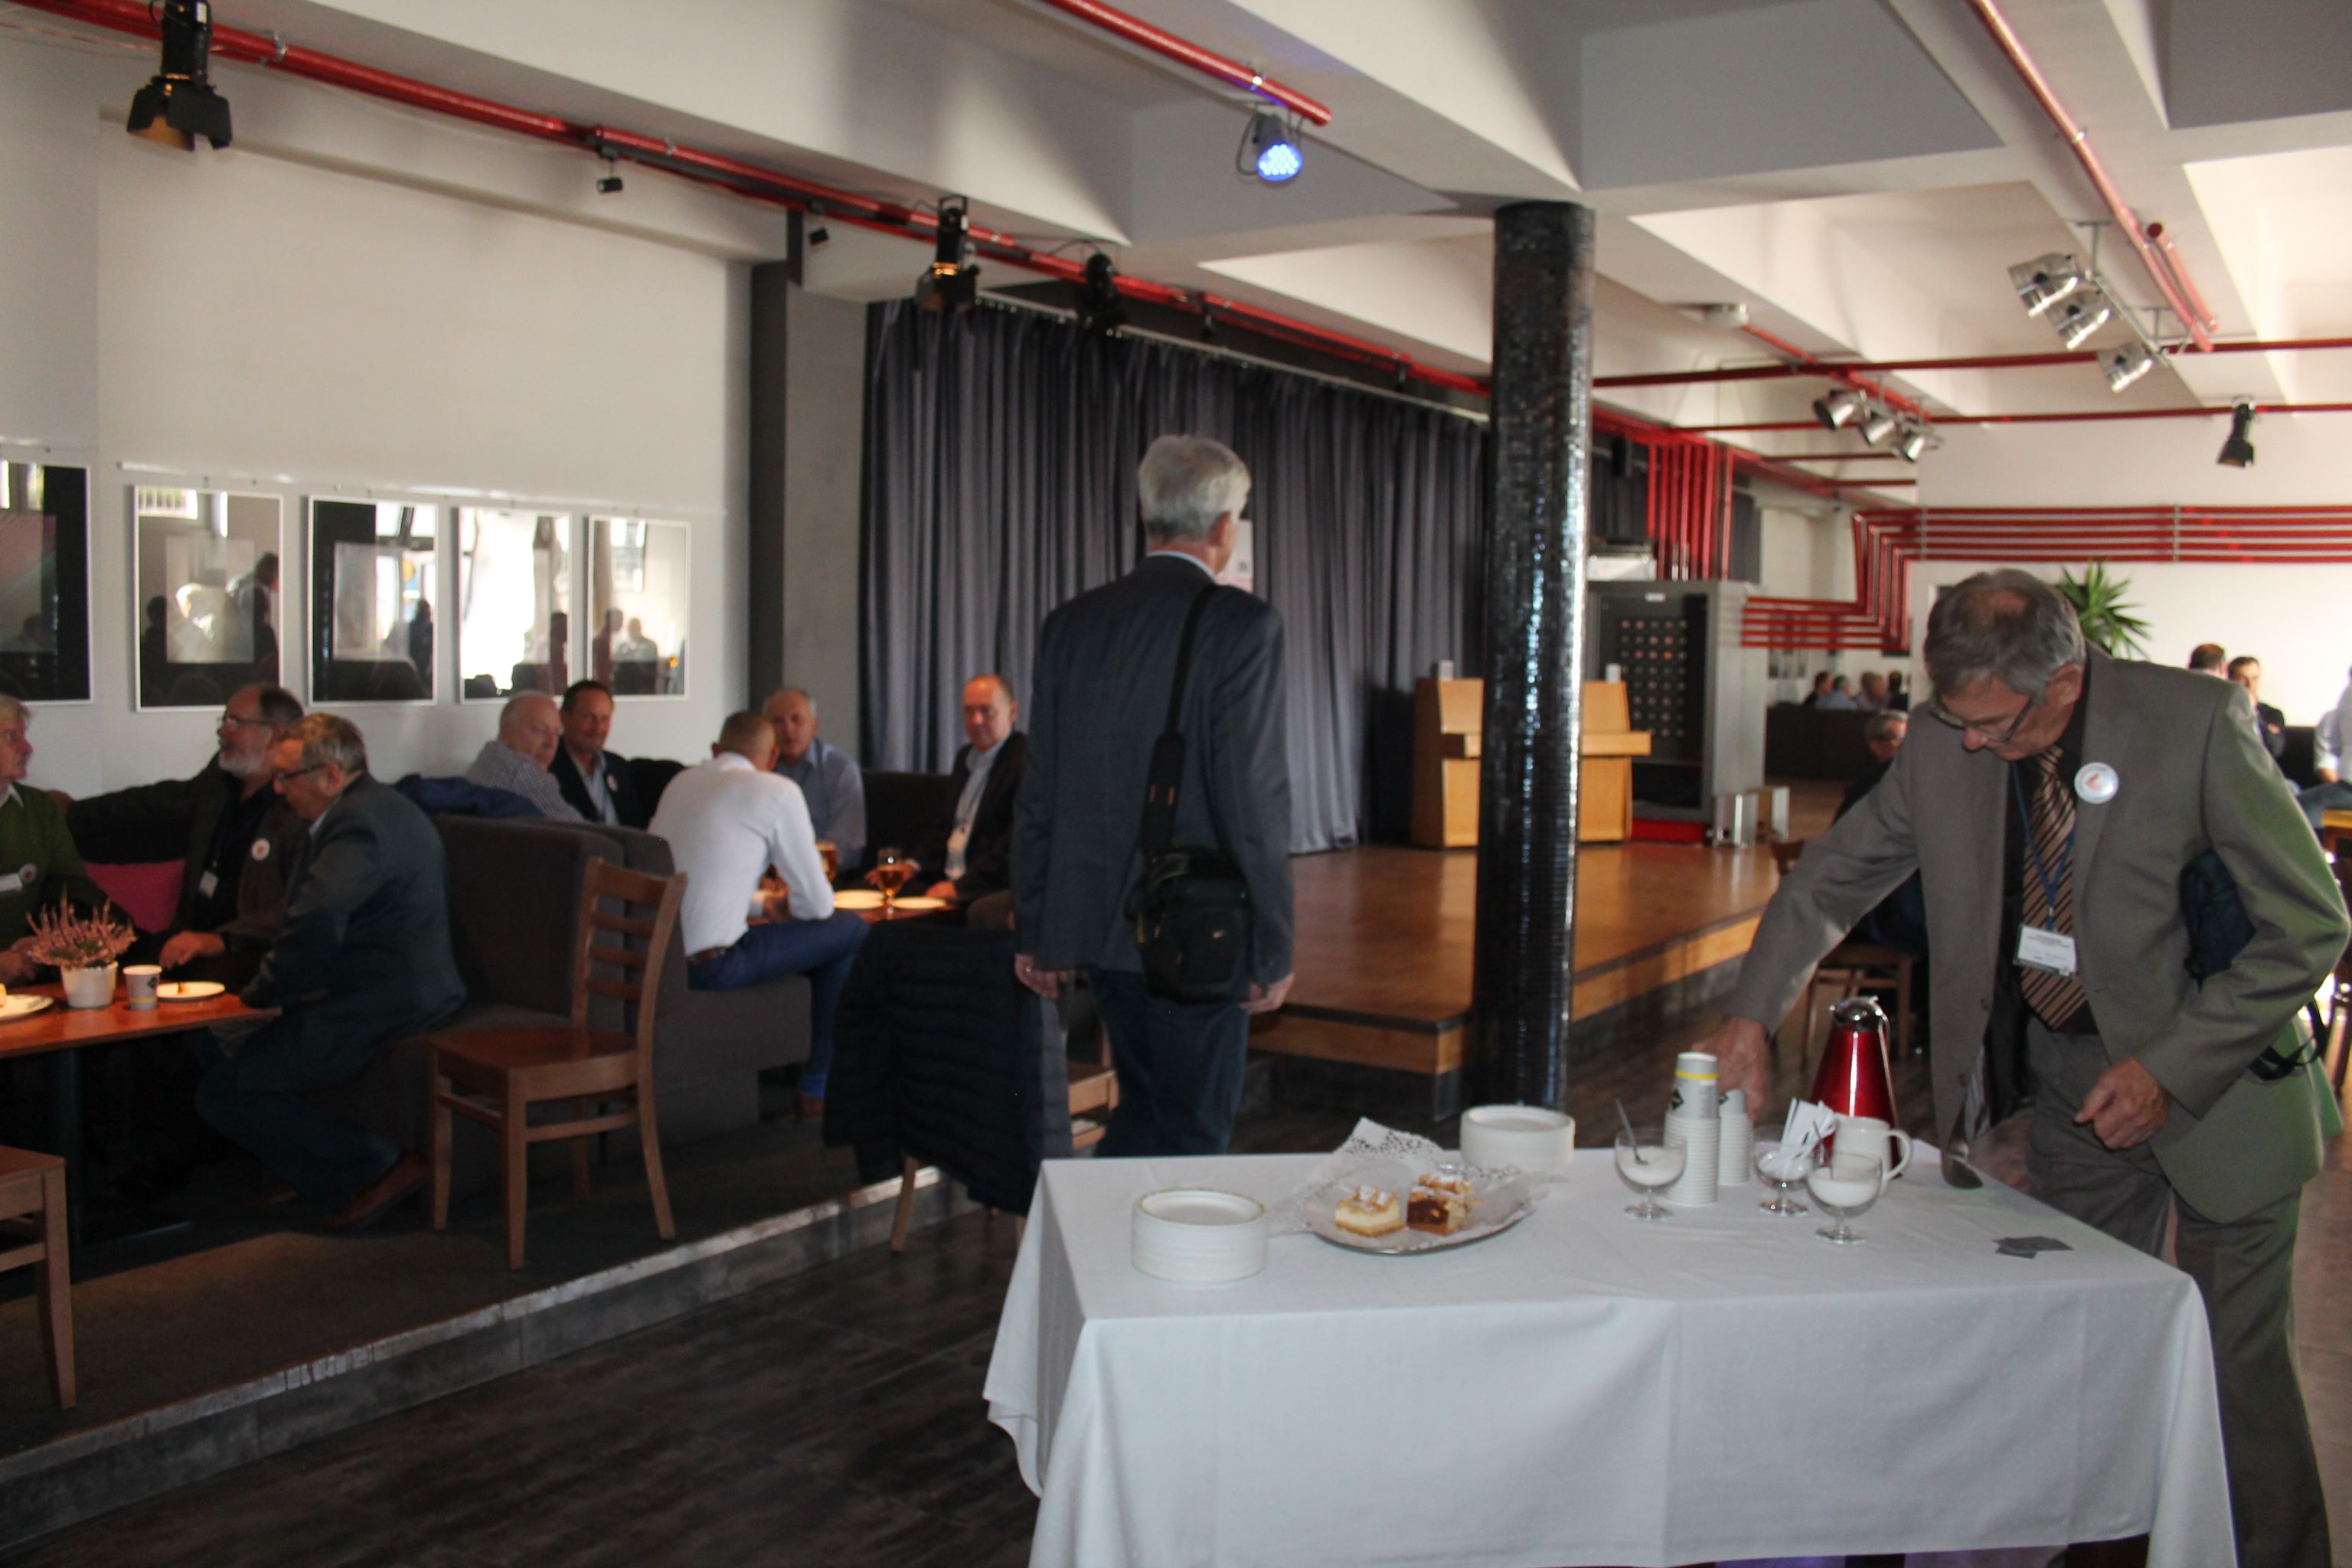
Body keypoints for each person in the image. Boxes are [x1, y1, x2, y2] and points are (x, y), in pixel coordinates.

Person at [1701, 568, 2343, 1568]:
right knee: (2085, 1348)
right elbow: (1834, 877)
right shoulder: (1944, 740)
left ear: (2066, 682)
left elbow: (2310, 923)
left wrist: (2170, 1066)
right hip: (2077, 1093)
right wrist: (1751, 1015)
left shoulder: (2196, 724)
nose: (1971, 743)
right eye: (1957, 718)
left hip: (2220, 1083)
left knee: (2235, 1371)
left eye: (1994, 725)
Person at [1011, 434, 1295, 1158]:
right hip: (1196, 928)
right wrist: (1271, 945)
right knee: (1192, 1131)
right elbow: (1253, 801)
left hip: (1097, 926)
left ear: (1145, 513)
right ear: (1225, 527)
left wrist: (1037, 926)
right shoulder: (1243, 626)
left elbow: (1039, 788)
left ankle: (1089, 1232)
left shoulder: (1070, 623)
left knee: (1142, 1113)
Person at [195, 714, 466, 1228]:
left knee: (222, 1090)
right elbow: (306, 908)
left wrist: (263, 993)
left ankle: (371, 1162)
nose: (278, 789)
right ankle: (317, 1173)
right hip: (380, 985)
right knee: (214, 1043)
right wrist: (237, 947)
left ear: (331, 776)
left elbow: (318, 917)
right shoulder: (371, 807)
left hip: (385, 999)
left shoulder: (357, 823)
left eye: (286, 777)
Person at [649, 711, 867, 1119]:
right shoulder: (776, 790)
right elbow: (818, 906)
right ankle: (818, 1086)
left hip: (661, 961)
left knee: (821, 936)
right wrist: (789, 905)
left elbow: (690, 882)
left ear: (717, 750)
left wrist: (763, 905)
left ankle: (809, 1080)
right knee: (851, 930)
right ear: (772, 758)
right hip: (714, 967)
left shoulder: (680, 783)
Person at [66, 684, 309, 988]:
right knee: (108, 962)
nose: (222, 731)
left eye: (235, 722)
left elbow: (301, 906)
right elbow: (151, 806)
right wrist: (71, 813)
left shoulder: (301, 806)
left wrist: (221, 940)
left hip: (250, 950)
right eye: (224, 720)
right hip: (189, 940)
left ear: (276, 735)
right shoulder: (218, 783)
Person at [0, 696, 107, 975]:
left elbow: (72, 889)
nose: (27, 748)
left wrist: (50, 941)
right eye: (11, 737)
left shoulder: (39, 808)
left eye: (23, 736)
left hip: (34, 971)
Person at [908, 674, 1024, 904]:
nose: (976, 720)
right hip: (946, 875)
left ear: (1012, 713)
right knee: (878, 890)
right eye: (969, 711)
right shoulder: (964, 757)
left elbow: (1014, 843)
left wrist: (960, 887)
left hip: (985, 885)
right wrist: (912, 864)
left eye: (987, 711)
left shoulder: (1024, 761)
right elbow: (944, 828)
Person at [763, 686, 864, 869]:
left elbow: (846, 847)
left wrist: (797, 873)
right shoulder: (758, 770)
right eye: (778, 721)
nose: (788, 729)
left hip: (822, 873)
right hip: (767, 873)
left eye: (796, 719)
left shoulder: (840, 769)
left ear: (814, 726)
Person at [465, 692, 584, 821]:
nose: (551, 743)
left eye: (556, 733)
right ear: (506, 732)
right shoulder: (522, 770)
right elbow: (578, 828)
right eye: (539, 730)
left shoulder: (489, 756)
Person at [547, 680, 644, 828]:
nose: (598, 728)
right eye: (589, 717)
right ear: (564, 717)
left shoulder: (618, 767)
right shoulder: (547, 767)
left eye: (604, 719)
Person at [2225, 655, 2287, 762]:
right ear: (2230, 680)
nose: (2250, 684)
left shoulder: (2272, 714)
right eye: (2243, 679)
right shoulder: (2222, 711)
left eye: (2254, 678)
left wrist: (2253, 712)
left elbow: (2275, 749)